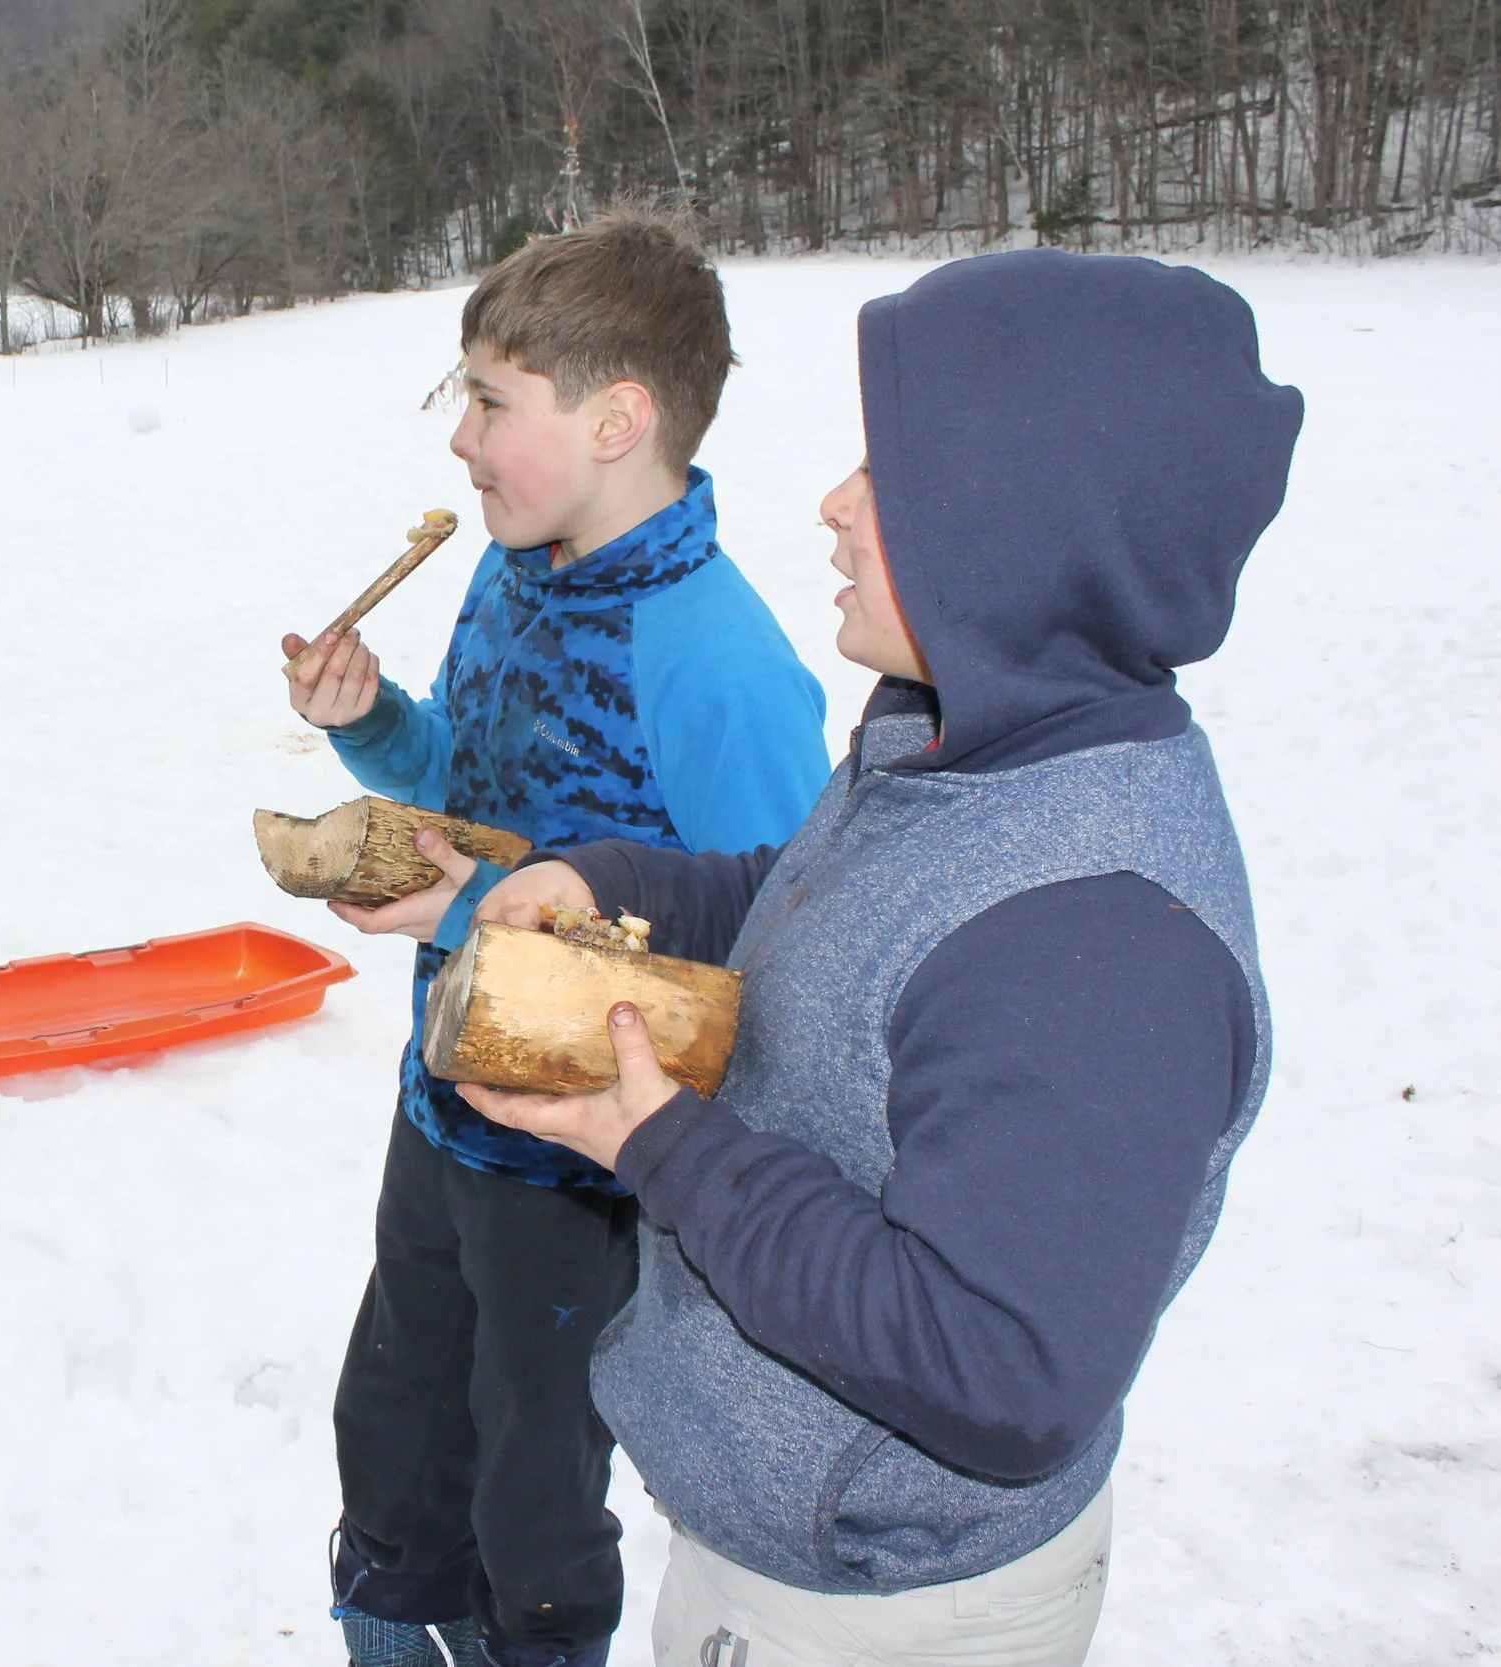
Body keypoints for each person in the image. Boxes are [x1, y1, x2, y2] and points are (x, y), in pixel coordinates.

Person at [456, 250, 1303, 1666]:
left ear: (1018, 532)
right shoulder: (964, 736)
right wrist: (610, 878)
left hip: (878, 1608)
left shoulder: (1095, 936)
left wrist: (666, 1142)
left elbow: (1002, 1368)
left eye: (889, 475)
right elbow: (816, 909)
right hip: (781, 1551)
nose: (837, 504)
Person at [282, 208, 829, 1667]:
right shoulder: (515, 571)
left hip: (582, 1171)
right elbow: (469, 790)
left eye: (490, 402)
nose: (460, 441)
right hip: (443, 1105)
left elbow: (772, 950)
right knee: (394, 1442)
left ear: (616, 418)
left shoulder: (715, 653)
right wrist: (376, 730)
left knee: (533, 1504)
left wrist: (464, 906)